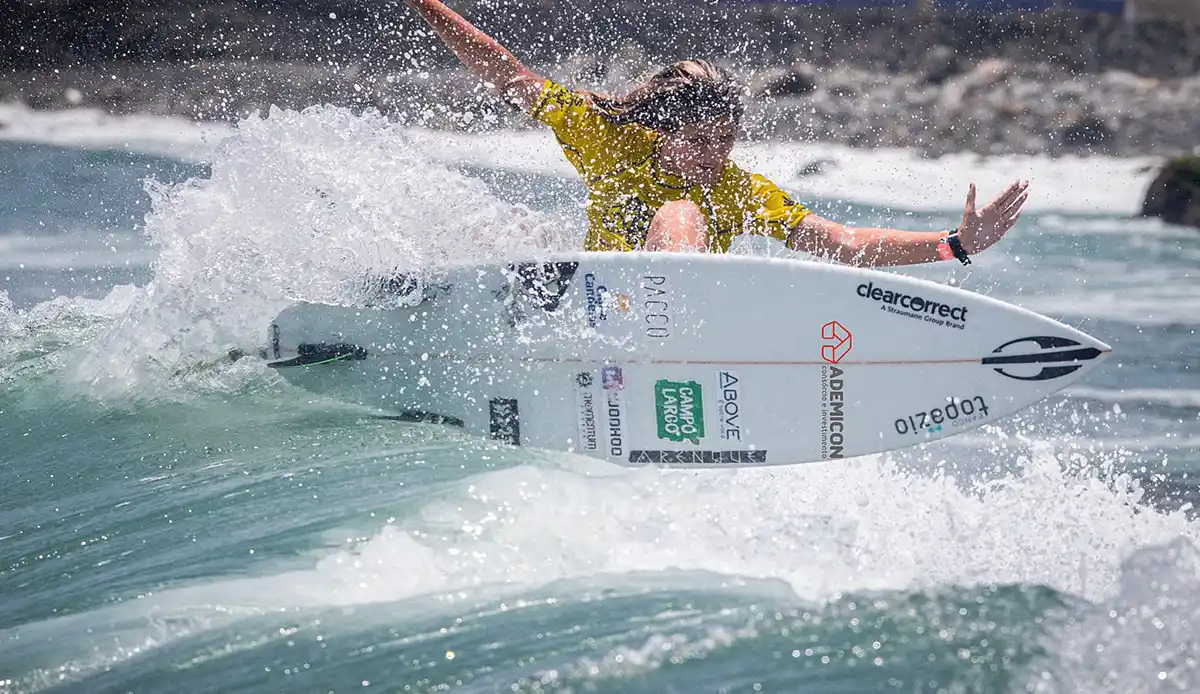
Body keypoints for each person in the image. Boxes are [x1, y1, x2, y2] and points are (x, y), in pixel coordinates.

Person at [402, 0, 1030, 267]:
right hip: (601, 309)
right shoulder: (608, 138)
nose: (714, 156)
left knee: (686, 213)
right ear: (661, 131)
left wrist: (954, 245)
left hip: (679, 321)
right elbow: (509, 74)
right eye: (699, 141)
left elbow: (841, 241)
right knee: (510, 234)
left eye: (724, 141)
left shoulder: (739, 192)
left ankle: (681, 317)